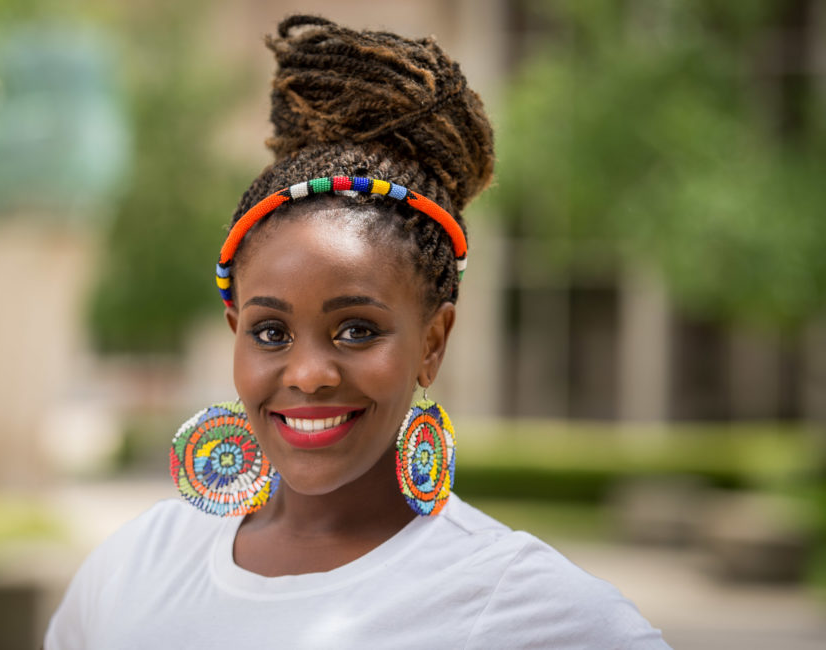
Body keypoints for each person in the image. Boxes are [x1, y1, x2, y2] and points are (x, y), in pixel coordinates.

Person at [45, 15, 670, 649]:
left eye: (356, 330)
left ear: (433, 343)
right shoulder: (133, 569)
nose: (308, 374)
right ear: (235, 331)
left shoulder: (526, 609)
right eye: (270, 332)